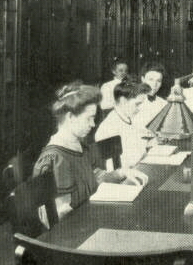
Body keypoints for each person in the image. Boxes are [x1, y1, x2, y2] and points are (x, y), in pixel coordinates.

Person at [33, 83, 147, 217]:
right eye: (89, 118)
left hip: (89, 214)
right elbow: (61, 213)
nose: (93, 124)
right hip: (75, 225)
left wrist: (122, 173)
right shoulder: (56, 158)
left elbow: (95, 177)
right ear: (70, 117)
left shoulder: (79, 146)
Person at [95, 82, 155, 170]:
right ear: (123, 101)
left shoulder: (129, 118)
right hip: (125, 175)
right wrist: (146, 147)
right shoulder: (108, 128)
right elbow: (115, 168)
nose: (140, 109)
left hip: (138, 167)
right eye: (137, 104)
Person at [131, 62, 167, 129]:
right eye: (151, 79)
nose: (154, 84)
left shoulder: (164, 104)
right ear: (143, 79)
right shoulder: (131, 101)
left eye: (158, 81)